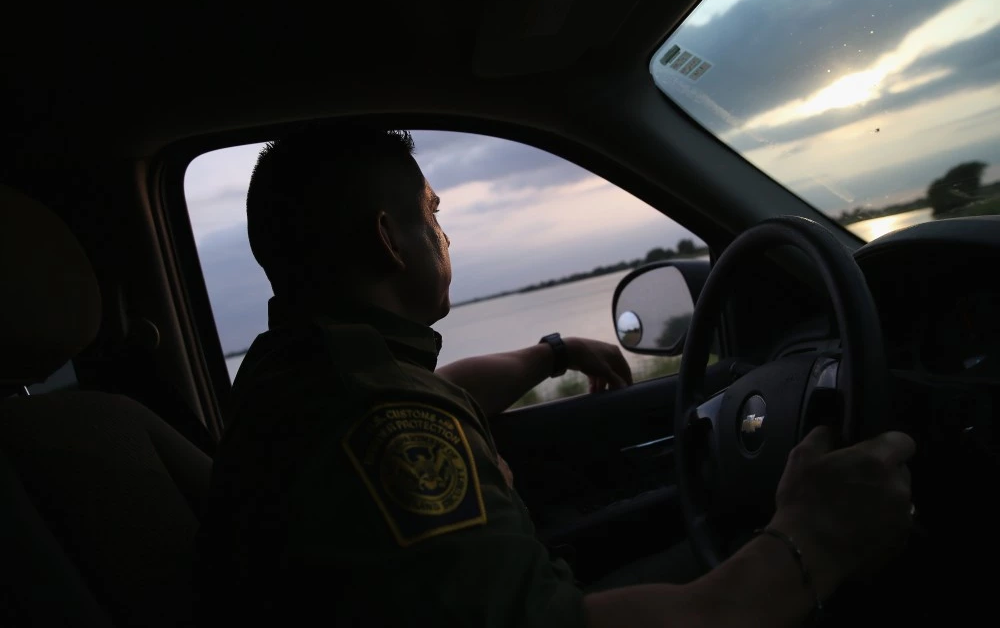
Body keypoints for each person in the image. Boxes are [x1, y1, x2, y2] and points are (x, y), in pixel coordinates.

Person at [194, 127, 915, 627]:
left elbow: (444, 394)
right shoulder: (376, 420)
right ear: (390, 239)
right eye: (432, 216)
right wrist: (812, 538)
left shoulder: (303, 374)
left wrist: (553, 351)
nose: (444, 236)